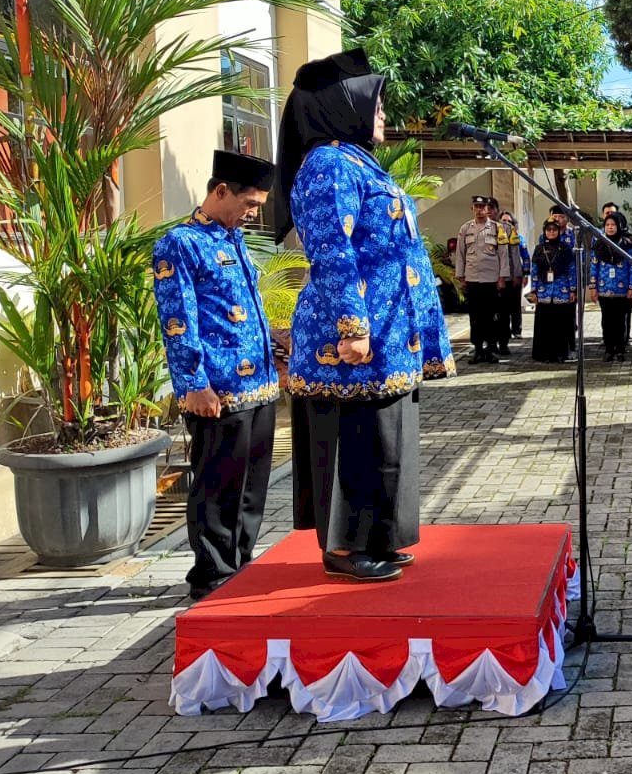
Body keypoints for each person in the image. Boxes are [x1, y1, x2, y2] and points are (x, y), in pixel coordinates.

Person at [274, 49, 455, 582]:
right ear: (343, 106)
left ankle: (379, 537)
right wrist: (352, 327)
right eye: (375, 105)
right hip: (349, 340)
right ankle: (345, 549)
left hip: (388, 336)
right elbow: (333, 251)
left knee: (385, 439)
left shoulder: (357, 162)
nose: (382, 115)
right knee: (353, 441)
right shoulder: (328, 164)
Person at [152, 149, 280, 601]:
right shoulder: (180, 244)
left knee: (251, 490)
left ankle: (239, 566)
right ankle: (211, 575)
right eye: (249, 205)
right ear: (220, 191)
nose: (251, 215)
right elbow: (178, 320)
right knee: (217, 487)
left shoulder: (233, 238)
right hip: (218, 390)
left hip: (260, 386)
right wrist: (193, 384)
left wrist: (275, 344)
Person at [454, 195, 509, 365]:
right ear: (472, 209)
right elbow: (460, 254)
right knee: (475, 316)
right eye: (476, 206)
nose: (480, 210)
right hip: (472, 279)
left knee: (491, 316)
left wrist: (502, 277)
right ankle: (477, 349)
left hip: (491, 279)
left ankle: (491, 349)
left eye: (483, 206)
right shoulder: (465, 228)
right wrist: (461, 277)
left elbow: (503, 254)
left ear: (488, 209)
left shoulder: (497, 228)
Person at [529, 217, 578, 362]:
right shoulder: (539, 249)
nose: (551, 232)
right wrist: (534, 291)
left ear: (559, 231)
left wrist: (573, 290)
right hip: (544, 292)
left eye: (554, 230)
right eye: (548, 229)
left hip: (561, 292)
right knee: (544, 325)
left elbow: (571, 270)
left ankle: (561, 353)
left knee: (560, 326)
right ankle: (544, 354)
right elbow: (534, 271)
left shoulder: (566, 249)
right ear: (544, 231)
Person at [590, 213, 632, 362]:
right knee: (607, 320)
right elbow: (594, 267)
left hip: (622, 290)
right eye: (607, 225)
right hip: (604, 289)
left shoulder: (627, 245)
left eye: (613, 225)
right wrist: (593, 287)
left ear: (619, 226)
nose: (610, 227)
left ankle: (620, 349)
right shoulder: (598, 245)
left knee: (620, 321)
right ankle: (609, 349)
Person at [497, 207, 526, 346]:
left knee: (515, 305)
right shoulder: (496, 237)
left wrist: (525, 274)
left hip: (516, 276)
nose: (506, 223)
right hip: (501, 278)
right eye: (503, 221)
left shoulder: (519, 238)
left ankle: (517, 329)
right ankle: (504, 332)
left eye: (509, 221)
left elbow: (525, 257)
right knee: (502, 308)